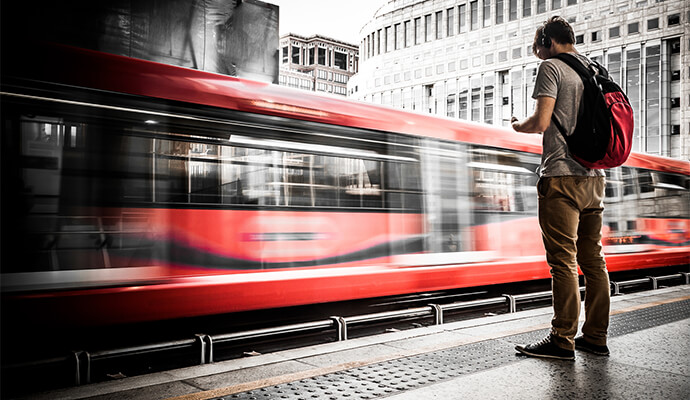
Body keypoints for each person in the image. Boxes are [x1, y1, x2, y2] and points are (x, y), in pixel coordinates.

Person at [511, 16, 611, 360]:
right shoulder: (594, 68)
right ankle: (596, 336)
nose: (537, 54)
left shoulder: (552, 67)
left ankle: (562, 338)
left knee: (563, 261)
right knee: (594, 261)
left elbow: (540, 122)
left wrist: (516, 126)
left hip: (561, 176)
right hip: (595, 178)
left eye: (537, 47)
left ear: (548, 41)